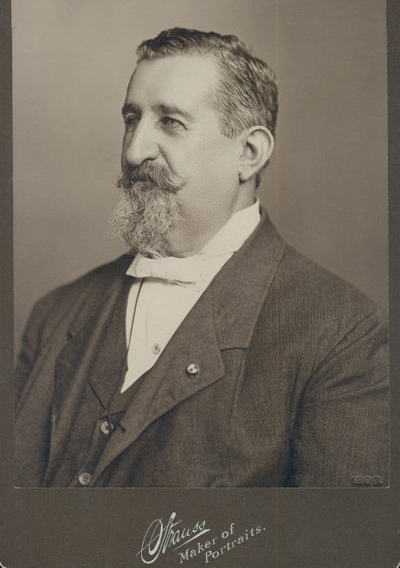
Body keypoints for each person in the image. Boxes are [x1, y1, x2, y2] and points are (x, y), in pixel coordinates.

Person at [15, 27, 388, 488]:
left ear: (249, 153)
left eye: (170, 122)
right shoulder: (54, 315)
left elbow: (330, 550)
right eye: (132, 119)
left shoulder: (342, 333)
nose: (133, 151)